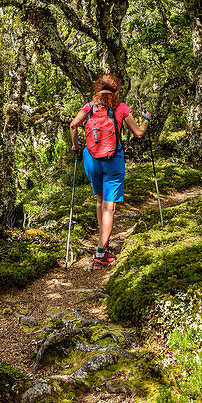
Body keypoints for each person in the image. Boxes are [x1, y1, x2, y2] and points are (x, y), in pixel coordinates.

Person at [68, 74, 150, 270]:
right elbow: (138, 133)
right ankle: (100, 253)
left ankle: (102, 244)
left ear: (98, 89)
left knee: (100, 201)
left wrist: (76, 146)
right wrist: (146, 121)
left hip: (91, 159)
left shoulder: (89, 107)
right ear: (116, 89)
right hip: (114, 160)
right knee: (109, 206)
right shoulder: (121, 108)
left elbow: (73, 125)